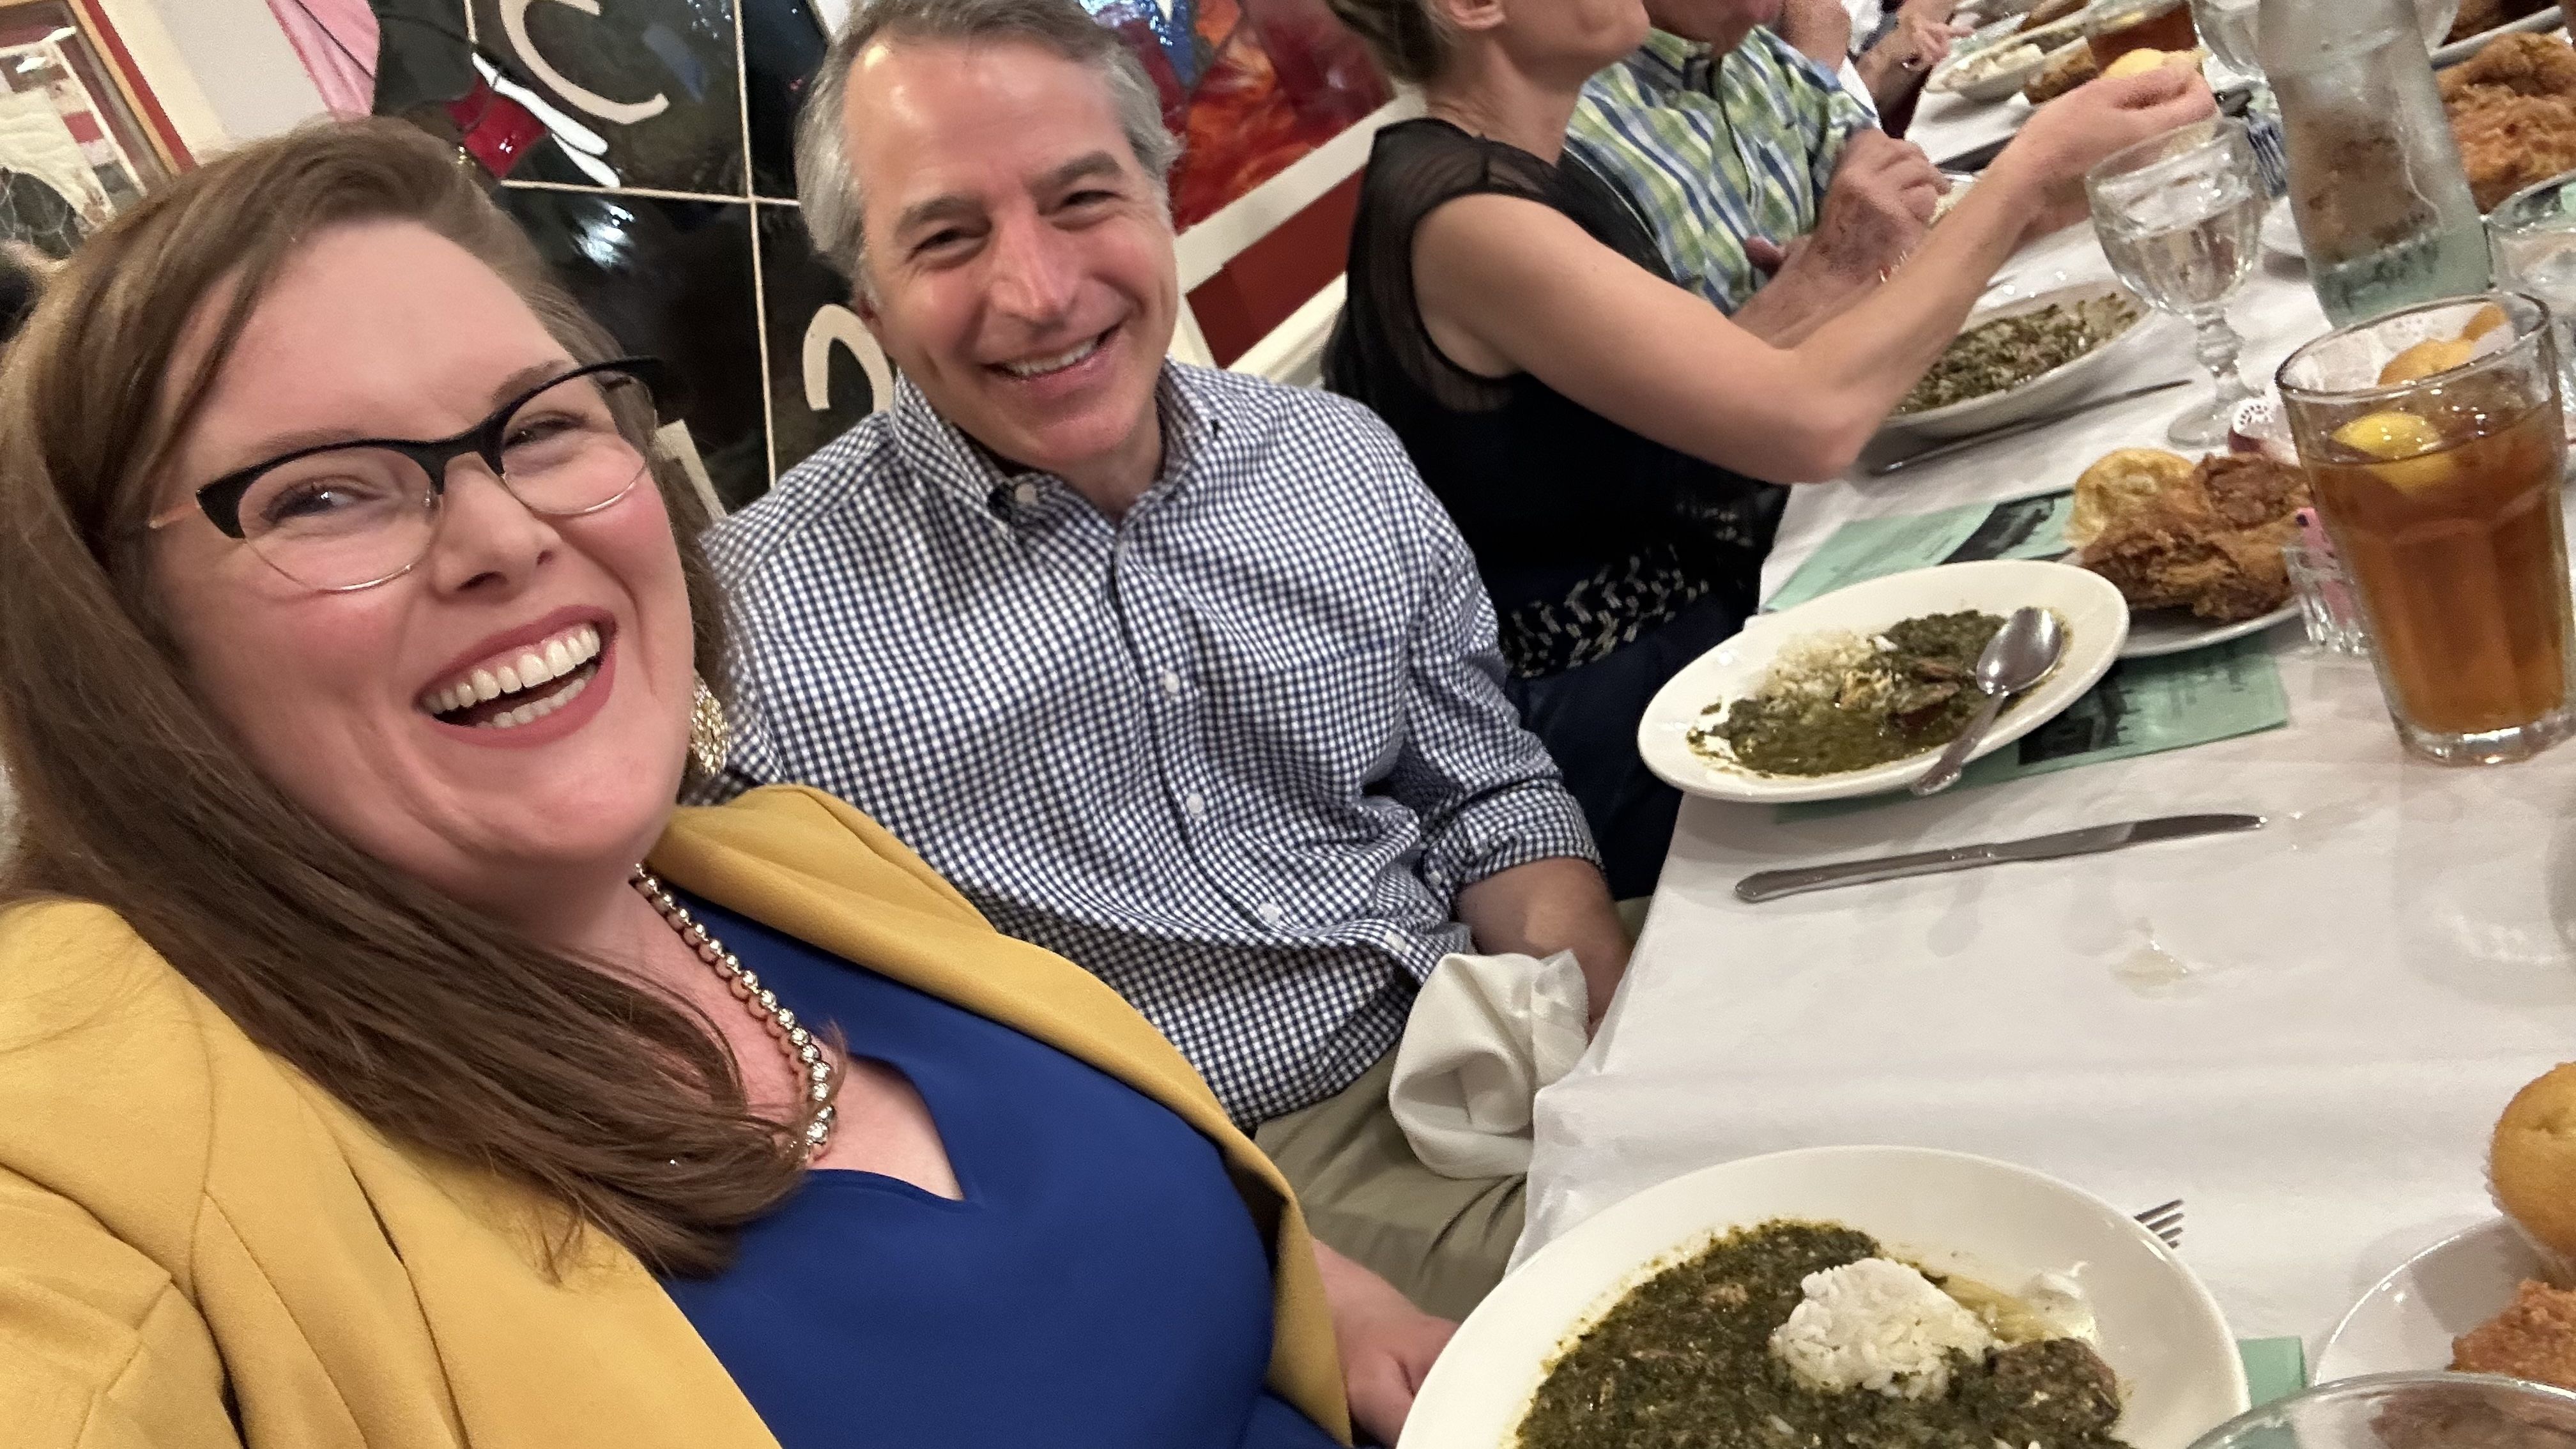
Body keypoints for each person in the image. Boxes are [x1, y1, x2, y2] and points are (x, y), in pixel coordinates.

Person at [0, 118, 1461, 1448]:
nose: (502, 534)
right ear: (121, 643)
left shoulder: (794, 863)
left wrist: (1340, 1307)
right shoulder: (89, 1146)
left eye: (543, 425)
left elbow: (1139, 1217)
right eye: (322, 491)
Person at [705, 0, 1633, 1321]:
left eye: (1082, 199)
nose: (1037, 290)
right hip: (1237, 1180)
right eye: (949, 236)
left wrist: (1609, 1047)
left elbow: (1484, 794)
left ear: (1160, 200)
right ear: (873, 300)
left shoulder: (1334, 458)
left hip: (1497, 1008)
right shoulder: (754, 640)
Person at [1318, 0, 2212, 896]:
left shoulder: (1519, 175)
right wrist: (2023, 179)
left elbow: (1743, 369)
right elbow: (1809, 420)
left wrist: (2018, 210)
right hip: (1636, 734)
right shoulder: (1464, 215)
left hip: (1721, 641)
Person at [1565, 0, 1940, 335]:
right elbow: (1658, 404)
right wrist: (1824, 276)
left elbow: (1867, 147)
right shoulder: (1562, 131)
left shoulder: (1745, 45)